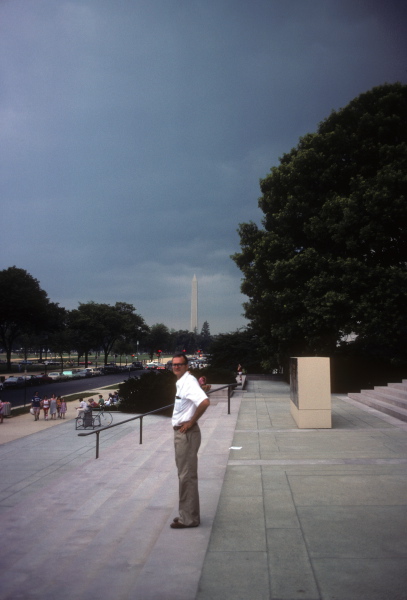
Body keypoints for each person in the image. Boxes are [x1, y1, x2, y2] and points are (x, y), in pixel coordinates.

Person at [171, 353, 210, 529]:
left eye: (180, 364)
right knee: (185, 475)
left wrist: (191, 422)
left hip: (186, 434)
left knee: (186, 476)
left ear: (187, 366)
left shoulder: (188, 382)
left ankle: (189, 519)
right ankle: (186, 514)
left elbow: (204, 402)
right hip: (182, 433)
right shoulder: (182, 382)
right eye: (174, 364)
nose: (176, 367)